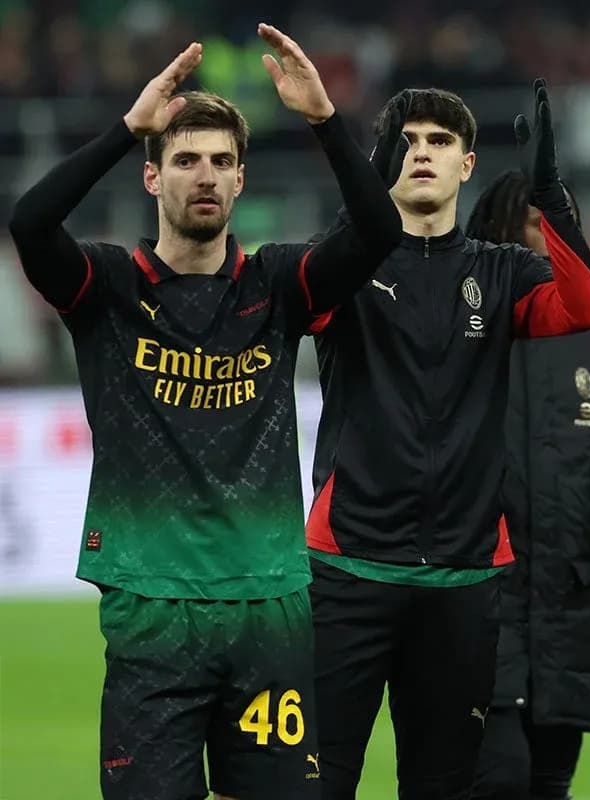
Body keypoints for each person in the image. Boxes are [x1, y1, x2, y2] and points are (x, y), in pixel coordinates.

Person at [6, 28, 402, 800]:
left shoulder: (280, 284)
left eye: (222, 161)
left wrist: (325, 119)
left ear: (243, 181)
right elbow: (30, 223)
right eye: (186, 160)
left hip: (269, 607)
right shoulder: (110, 289)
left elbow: (378, 232)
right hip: (153, 608)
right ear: (152, 178)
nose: (205, 176)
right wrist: (126, 128)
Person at [302, 81, 590, 799]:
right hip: (349, 569)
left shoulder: (502, 272)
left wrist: (550, 192)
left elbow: (586, 305)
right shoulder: (343, 262)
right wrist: (365, 190)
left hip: (464, 578)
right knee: (314, 784)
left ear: (467, 165)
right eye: (405, 141)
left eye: (440, 142)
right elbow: (309, 302)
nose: (423, 153)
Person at [464, 169, 590, 800]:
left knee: (551, 784)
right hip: (482, 599)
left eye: (567, 222)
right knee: (497, 780)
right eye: (540, 220)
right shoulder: (460, 324)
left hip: (567, 598)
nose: (558, 235)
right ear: (497, 227)